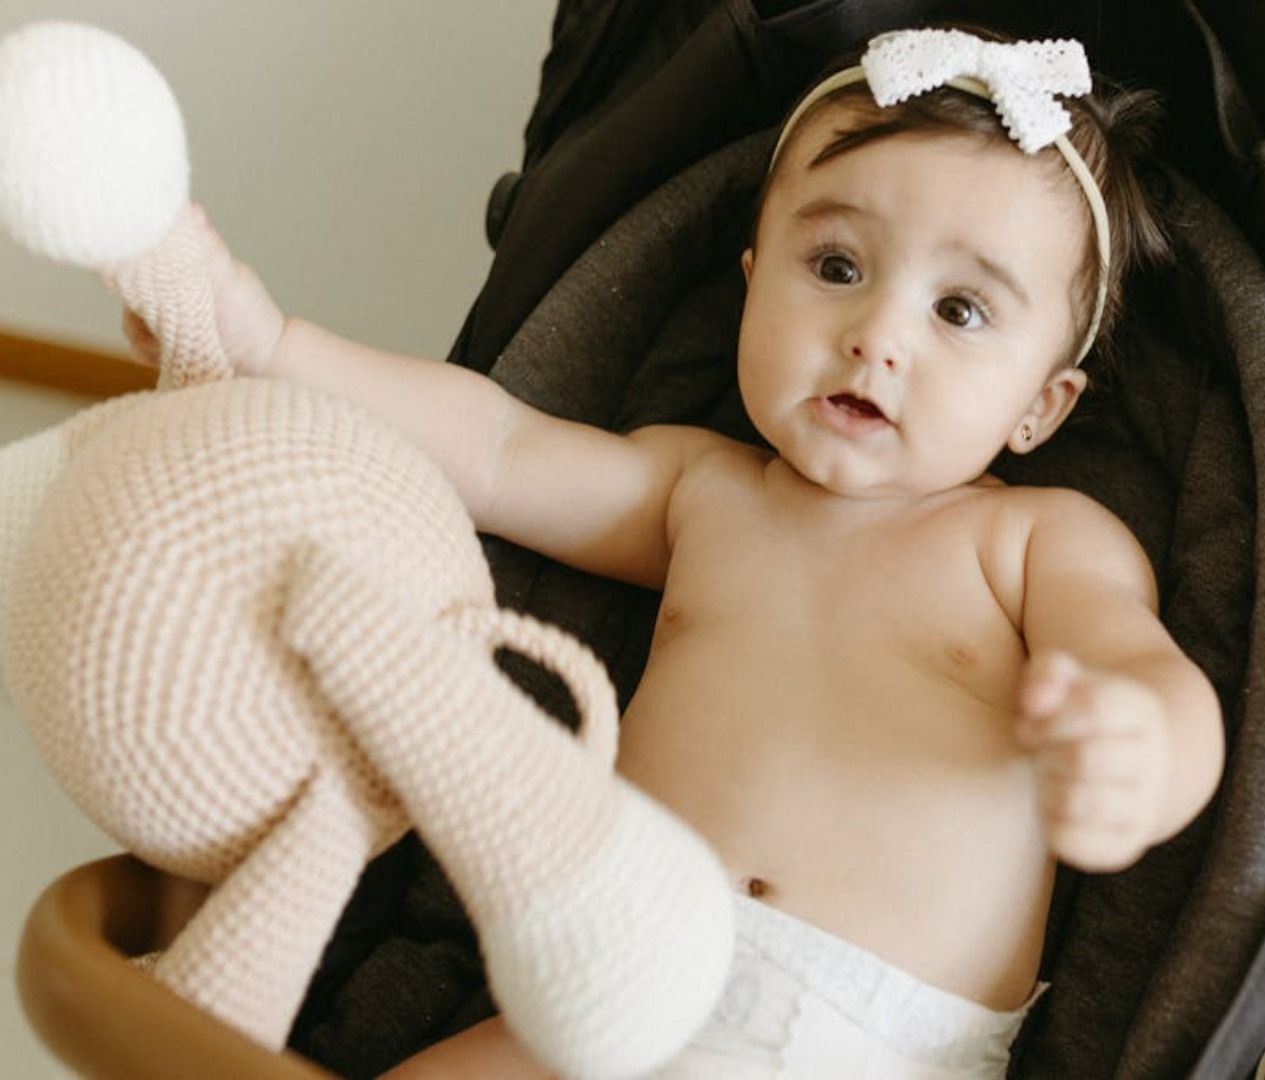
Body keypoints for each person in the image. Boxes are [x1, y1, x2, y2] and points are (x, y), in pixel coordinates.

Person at [125, 26, 1224, 1080]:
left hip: (858, 1043)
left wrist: (1141, 751)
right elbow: (498, 447)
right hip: (607, 980)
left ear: (1041, 406)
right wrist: (271, 345)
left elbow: (1140, 666)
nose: (876, 334)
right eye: (835, 265)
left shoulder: (1033, 541)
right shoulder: (702, 492)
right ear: (751, 279)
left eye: (959, 309)